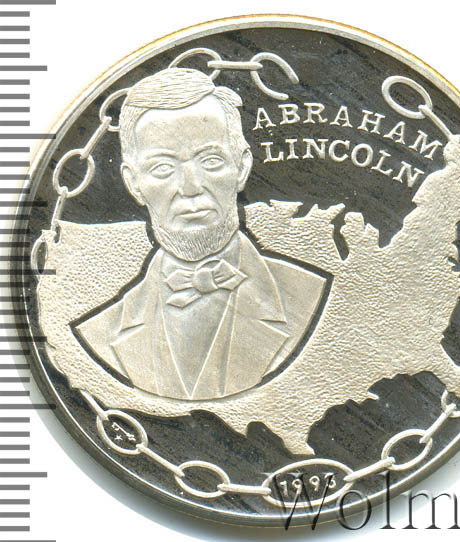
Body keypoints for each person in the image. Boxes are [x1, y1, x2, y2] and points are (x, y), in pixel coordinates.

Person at [76, 68, 325, 400]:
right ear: (134, 183)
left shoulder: (313, 298)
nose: (190, 187)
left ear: (242, 167)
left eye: (210, 161)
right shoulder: (99, 332)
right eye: (163, 168)